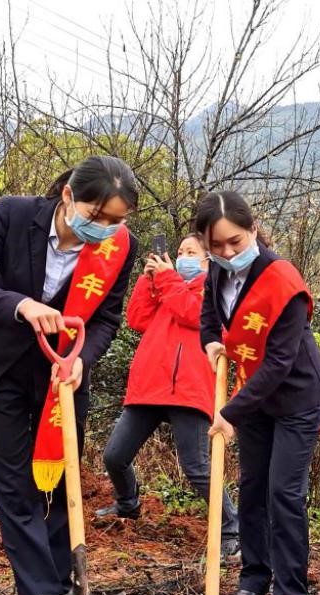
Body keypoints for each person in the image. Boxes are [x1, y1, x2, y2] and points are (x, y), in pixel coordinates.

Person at [0, 156, 140, 595]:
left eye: (117, 221)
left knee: (57, 490)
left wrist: (81, 360)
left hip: (63, 377)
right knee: (16, 491)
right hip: (2, 373)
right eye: (98, 216)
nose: (106, 230)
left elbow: (106, 319)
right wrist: (20, 304)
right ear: (68, 197)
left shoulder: (120, 248)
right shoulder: (13, 215)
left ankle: (67, 593)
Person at [196, 191, 320, 595]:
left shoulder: (282, 281)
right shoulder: (216, 273)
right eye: (215, 246)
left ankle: (291, 594)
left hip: (296, 397)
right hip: (253, 396)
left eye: (235, 241)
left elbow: (278, 363)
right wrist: (212, 342)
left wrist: (230, 413)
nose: (227, 252)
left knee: (284, 492)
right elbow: (208, 316)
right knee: (252, 487)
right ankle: (254, 577)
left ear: (253, 229)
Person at [96, 233, 241, 561]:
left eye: (191, 252)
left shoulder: (214, 290)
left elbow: (192, 314)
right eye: (179, 251)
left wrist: (166, 279)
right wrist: (149, 282)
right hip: (150, 386)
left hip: (190, 389)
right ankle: (127, 505)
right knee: (115, 456)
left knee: (197, 467)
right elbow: (137, 319)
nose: (182, 256)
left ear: (207, 261)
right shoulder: (167, 285)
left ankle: (232, 529)